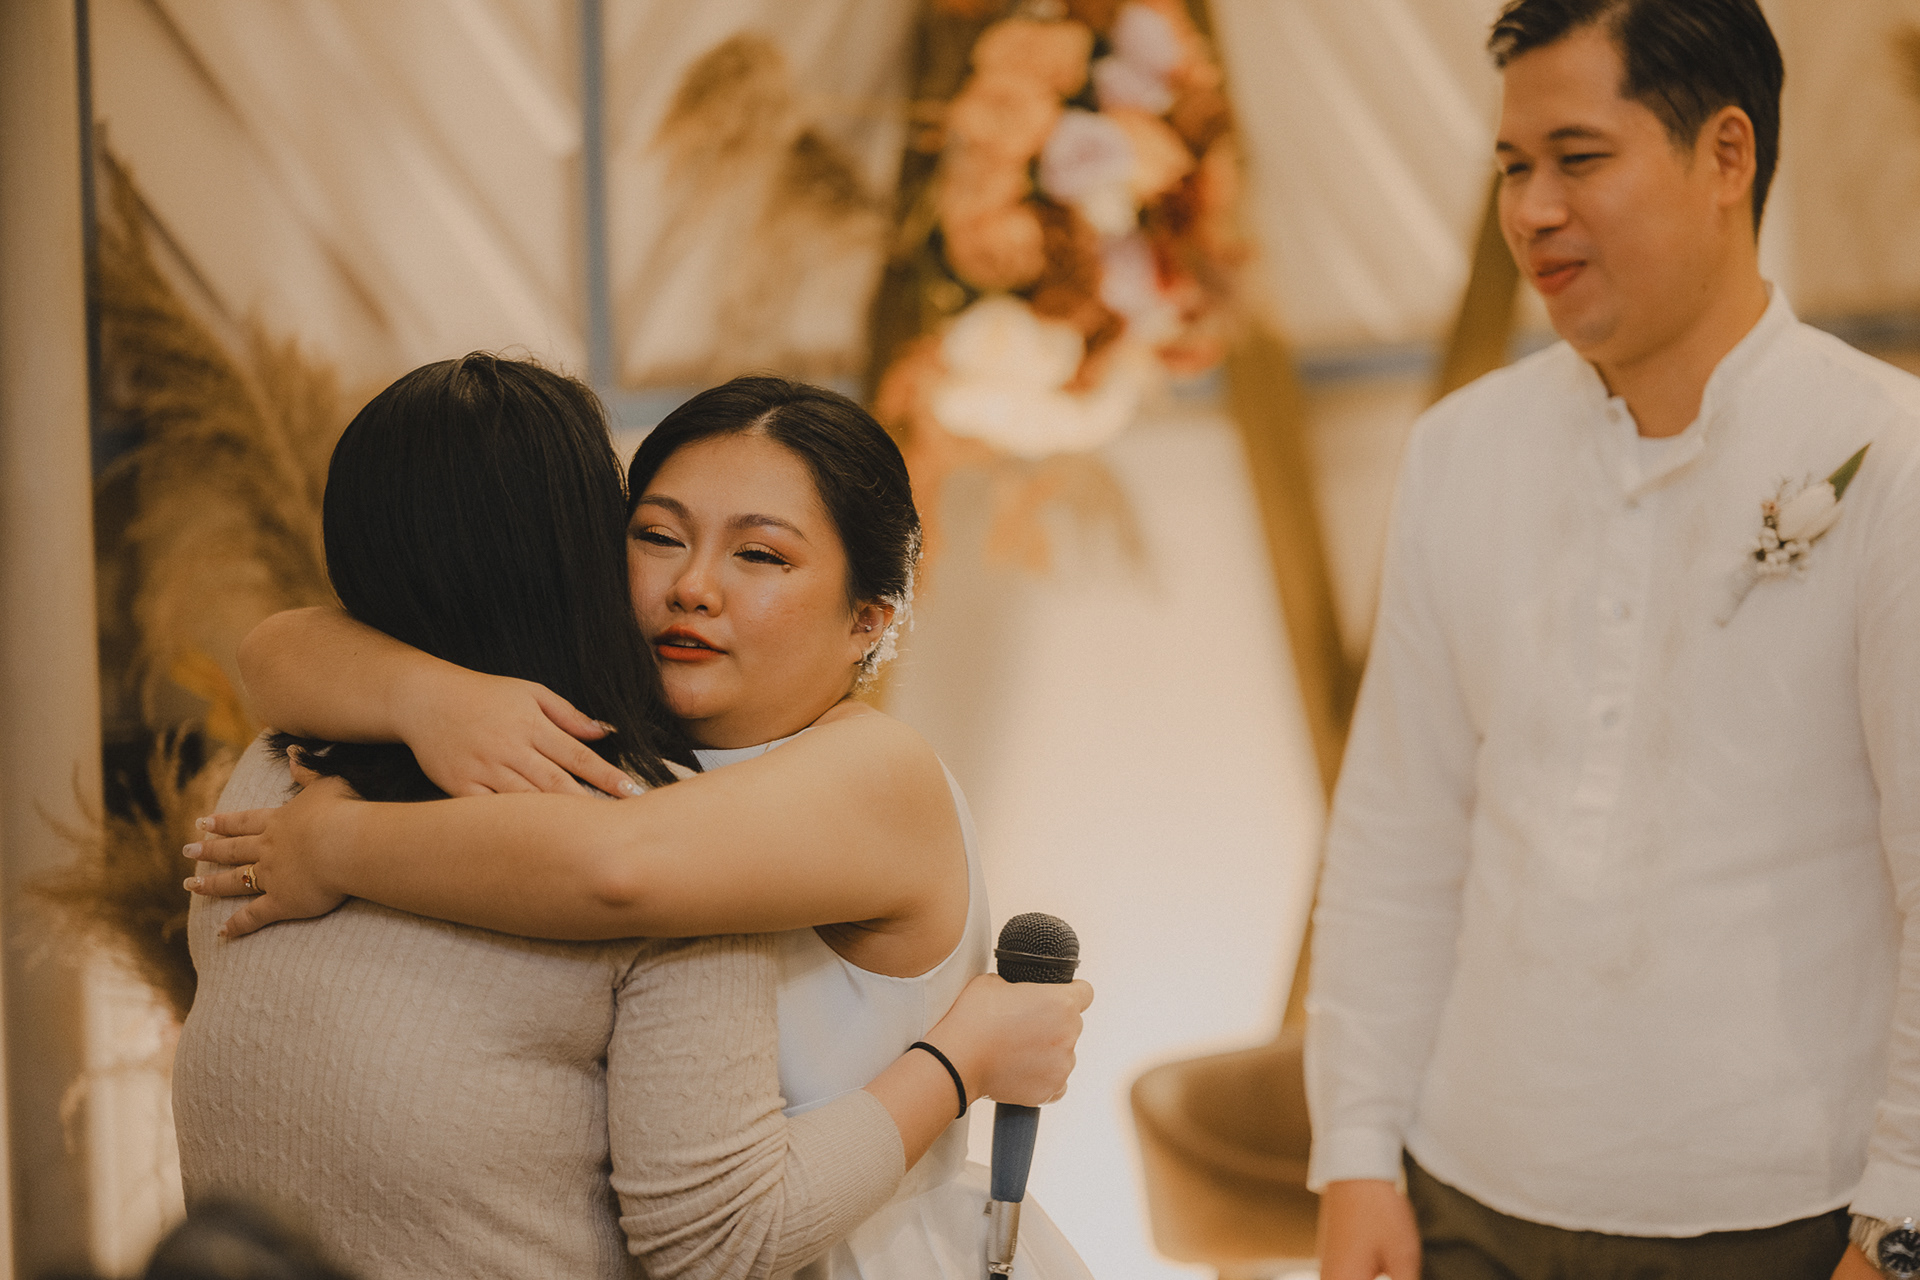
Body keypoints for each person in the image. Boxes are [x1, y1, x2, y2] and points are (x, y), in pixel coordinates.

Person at [175, 357, 1087, 1280]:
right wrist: (428, 697)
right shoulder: (602, 740)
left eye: (761, 555)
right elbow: (277, 647)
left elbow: (620, 867)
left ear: (867, 620)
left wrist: (334, 844)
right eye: (657, 536)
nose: (693, 586)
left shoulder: (876, 769)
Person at [1307, 2, 1920, 1278]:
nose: (1532, 210)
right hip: (1466, 1190)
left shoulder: (1888, 453)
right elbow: (1396, 831)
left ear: (1727, 154)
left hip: (1782, 1212)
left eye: (1578, 159)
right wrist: (1355, 1147)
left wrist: (1900, 1219)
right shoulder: (1458, 450)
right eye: (1511, 167)